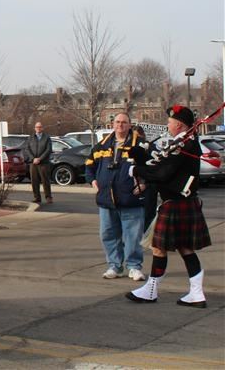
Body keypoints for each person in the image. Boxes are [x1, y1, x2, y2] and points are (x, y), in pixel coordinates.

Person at [127, 105, 211, 308]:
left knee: (162, 248)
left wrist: (137, 169)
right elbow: (162, 167)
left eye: (170, 122)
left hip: (176, 203)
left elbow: (164, 174)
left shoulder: (185, 146)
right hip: (177, 203)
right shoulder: (184, 143)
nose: (168, 125)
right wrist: (142, 158)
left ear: (179, 124)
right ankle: (194, 293)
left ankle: (154, 290)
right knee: (183, 249)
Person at [85, 113, 145, 281]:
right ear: (112, 124)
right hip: (106, 200)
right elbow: (89, 166)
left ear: (130, 125)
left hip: (131, 200)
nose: (120, 125)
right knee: (108, 234)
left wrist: (145, 184)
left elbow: (154, 168)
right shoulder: (101, 146)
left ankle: (134, 267)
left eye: (124, 122)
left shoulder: (141, 146)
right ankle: (114, 266)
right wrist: (93, 181)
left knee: (132, 236)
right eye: (117, 122)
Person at [23, 122, 53, 204]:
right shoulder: (31, 138)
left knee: (45, 181)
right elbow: (27, 149)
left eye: (40, 127)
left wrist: (40, 158)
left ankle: (48, 197)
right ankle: (37, 197)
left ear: (42, 128)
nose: (38, 128)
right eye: (37, 127)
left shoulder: (47, 138)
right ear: (34, 128)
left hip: (44, 163)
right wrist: (33, 159)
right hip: (33, 163)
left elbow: (48, 150)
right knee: (34, 181)